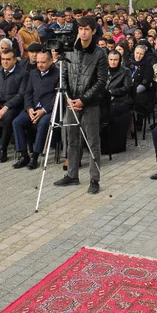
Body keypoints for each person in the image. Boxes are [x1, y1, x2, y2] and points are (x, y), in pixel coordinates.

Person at [53, 16, 108, 194]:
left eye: (86, 29)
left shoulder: (100, 54)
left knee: (93, 142)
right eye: (80, 29)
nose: (83, 32)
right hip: (71, 102)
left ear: (93, 31)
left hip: (90, 103)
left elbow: (101, 81)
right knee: (72, 140)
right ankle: (72, 175)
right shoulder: (70, 50)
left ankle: (94, 178)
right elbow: (64, 74)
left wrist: (83, 99)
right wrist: (68, 97)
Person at [12, 50, 58, 169]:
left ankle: (35, 156)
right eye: (38, 62)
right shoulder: (33, 73)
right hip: (33, 108)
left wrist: (44, 110)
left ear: (50, 61)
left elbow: (57, 96)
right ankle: (23, 155)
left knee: (43, 123)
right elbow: (28, 93)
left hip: (49, 110)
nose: (40, 65)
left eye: (43, 62)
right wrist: (29, 108)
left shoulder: (57, 74)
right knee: (17, 122)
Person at [101, 50, 133, 155]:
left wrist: (111, 93)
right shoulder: (103, 70)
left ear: (119, 60)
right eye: (111, 59)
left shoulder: (125, 71)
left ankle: (114, 146)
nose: (113, 62)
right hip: (104, 98)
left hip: (121, 100)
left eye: (115, 60)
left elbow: (126, 87)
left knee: (113, 112)